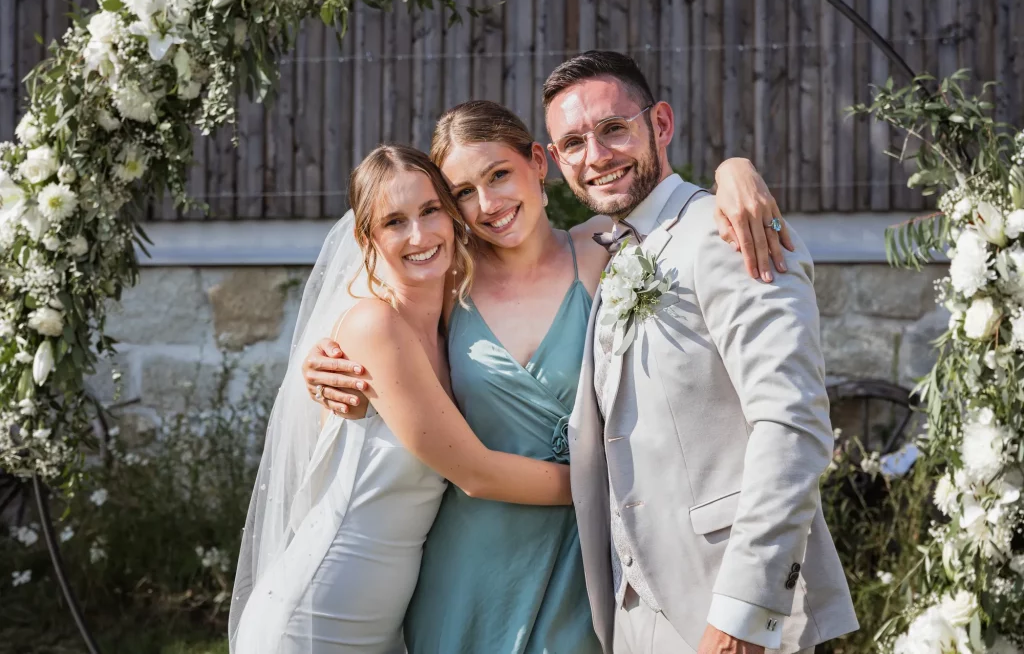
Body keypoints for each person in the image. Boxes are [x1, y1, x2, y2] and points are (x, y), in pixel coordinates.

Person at [301, 99, 790, 651]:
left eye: (499, 175)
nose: (488, 204)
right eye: (463, 193)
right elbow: (370, 329)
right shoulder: (446, 280)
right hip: (471, 561)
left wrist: (735, 170)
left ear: (539, 161)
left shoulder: (603, 250)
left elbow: (672, 207)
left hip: (584, 559)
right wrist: (321, 367)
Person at [542, 52, 859, 653]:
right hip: (638, 620)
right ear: (556, 160)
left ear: (660, 124)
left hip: (729, 613)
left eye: (614, 128)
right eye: (574, 143)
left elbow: (793, 425)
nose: (597, 156)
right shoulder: (609, 253)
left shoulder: (731, 229)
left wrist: (743, 615)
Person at [229, 144, 578, 654]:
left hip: (389, 618)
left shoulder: (450, 318)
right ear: (366, 238)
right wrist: (605, 483)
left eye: (430, 210)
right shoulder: (375, 325)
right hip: (320, 611)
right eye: (394, 222)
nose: (419, 235)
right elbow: (474, 473)